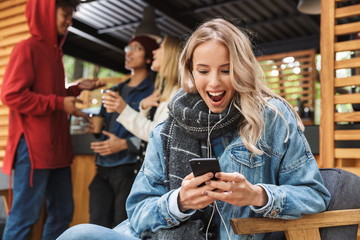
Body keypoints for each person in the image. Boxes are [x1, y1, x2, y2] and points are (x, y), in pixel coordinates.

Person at [57, 18, 331, 240]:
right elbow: (138, 212)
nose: (214, 83)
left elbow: (314, 195)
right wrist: (179, 202)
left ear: (242, 68)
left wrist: (257, 195)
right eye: (203, 71)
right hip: (164, 235)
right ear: (190, 71)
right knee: (77, 235)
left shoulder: (271, 117)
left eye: (226, 70)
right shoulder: (168, 125)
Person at [1, 0, 103, 239]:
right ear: (46, 12)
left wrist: (75, 90)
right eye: (65, 14)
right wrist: (59, 102)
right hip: (34, 149)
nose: (69, 21)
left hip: (58, 148)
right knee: (24, 216)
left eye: (71, 16)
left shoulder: (56, 54)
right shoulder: (27, 48)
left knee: (62, 211)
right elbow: (11, 94)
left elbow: (52, 96)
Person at [89, 36, 158, 228]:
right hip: (102, 167)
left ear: (148, 58)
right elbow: (101, 124)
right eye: (129, 48)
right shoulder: (115, 89)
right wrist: (94, 126)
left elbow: (155, 136)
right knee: (95, 226)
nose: (129, 52)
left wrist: (124, 144)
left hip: (129, 169)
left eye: (137, 48)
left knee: (123, 227)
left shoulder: (153, 92)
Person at [103, 36, 181, 142]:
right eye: (129, 48)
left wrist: (123, 109)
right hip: (106, 155)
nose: (154, 51)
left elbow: (157, 134)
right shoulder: (117, 87)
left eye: (138, 48)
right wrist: (144, 107)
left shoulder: (173, 93)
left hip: (129, 157)